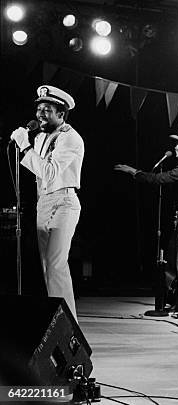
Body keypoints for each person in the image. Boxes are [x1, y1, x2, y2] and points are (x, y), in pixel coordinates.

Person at [114, 99, 178, 319]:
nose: (175, 147)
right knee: (174, 261)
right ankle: (177, 301)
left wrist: (133, 171)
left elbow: (157, 179)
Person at [10, 85, 83, 321]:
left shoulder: (70, 137)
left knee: (56, 264)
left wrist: (25, 146)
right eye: (39, 108)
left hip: (64, 202)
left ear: (61, 113)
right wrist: (29, 145)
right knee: (46, 268)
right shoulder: (41, 137)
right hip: (44, 202)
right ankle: (57, 320)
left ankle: (70, 324)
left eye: (47, 109)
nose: (40, 113)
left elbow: (50, 173)